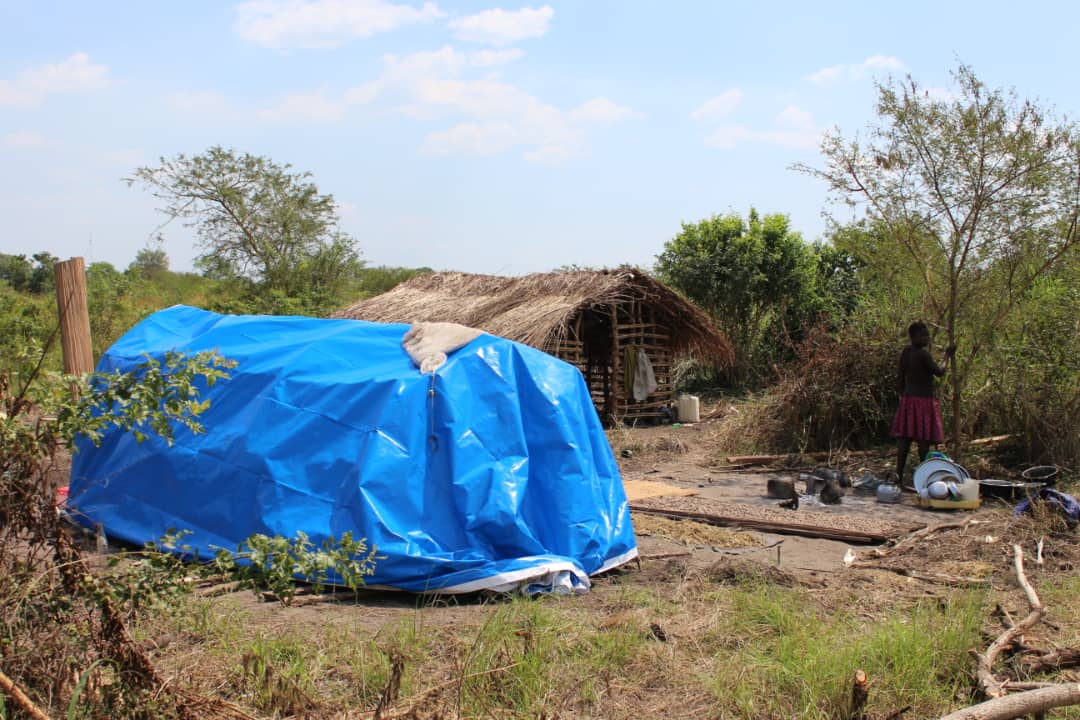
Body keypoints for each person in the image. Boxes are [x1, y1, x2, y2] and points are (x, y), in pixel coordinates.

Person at [892, 321, 955, 479]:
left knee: (904, 439)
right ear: (913, 337)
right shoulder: (923, 354)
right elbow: (939, 371)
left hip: (908, 399)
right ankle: (923, 476)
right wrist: (947, 355)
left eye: (927, 335)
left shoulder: (906, 352)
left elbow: (900, 376)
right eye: (922, 335)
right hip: (923, 401)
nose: (926, 338)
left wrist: (902, 396)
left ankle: (898, 474)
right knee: (923, 440)